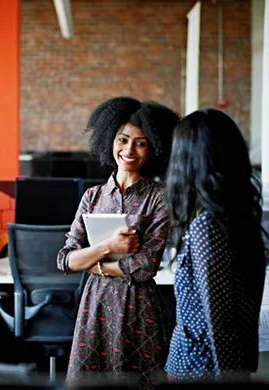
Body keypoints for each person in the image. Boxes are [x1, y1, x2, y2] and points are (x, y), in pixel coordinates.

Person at [57, 96, 180, 389]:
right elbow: (65, 260)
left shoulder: (160, 198)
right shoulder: (93, 197)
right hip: (95, 307)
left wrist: (93, 264)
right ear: (109, 140)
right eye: (122, 139)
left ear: (154, 149)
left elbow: (144, 267)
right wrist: (106, 248)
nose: (129, 150)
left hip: (140, 309)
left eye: (141, 142)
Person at [164, 108, 267, 382]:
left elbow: (219, 322)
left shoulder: (206, 226)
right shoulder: (235, 219)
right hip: (208, 364)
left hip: (199, 369)